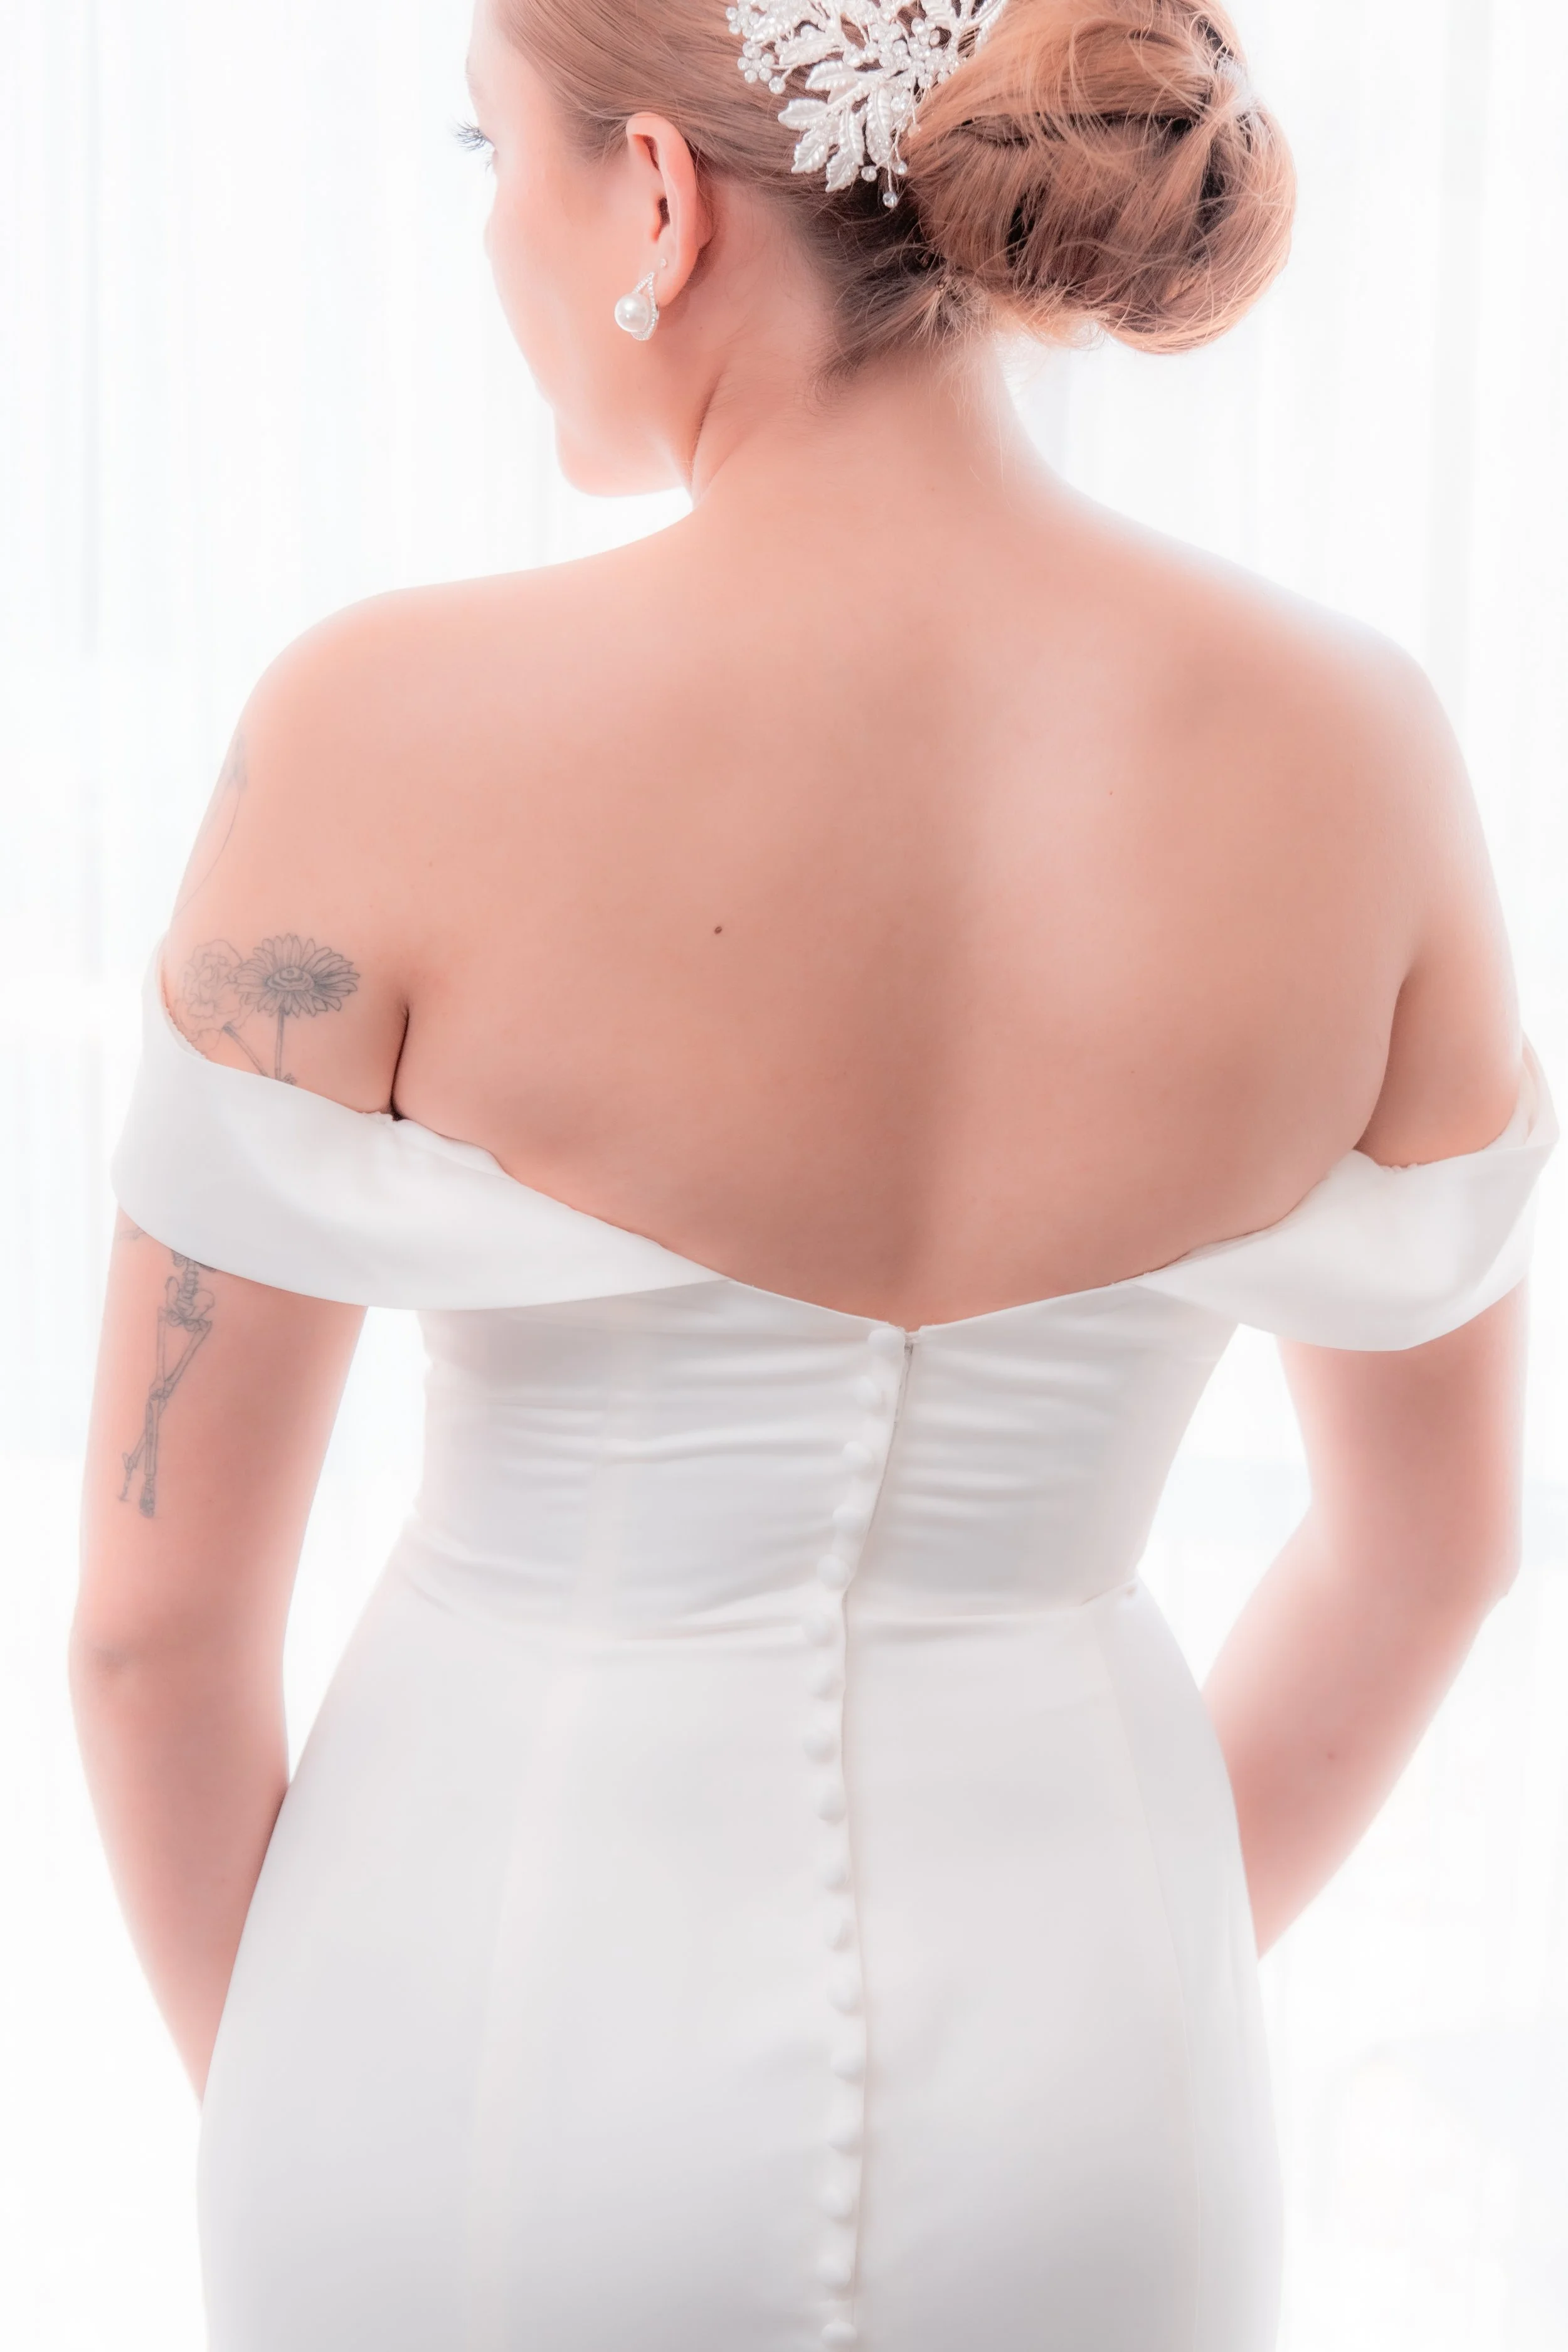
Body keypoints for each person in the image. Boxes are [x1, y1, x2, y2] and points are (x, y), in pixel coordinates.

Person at [70, 2, 1557, 2347]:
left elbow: (153, 1632)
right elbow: (1434, 1553)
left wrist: (311, 2082)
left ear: (655, 199)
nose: (490, 230)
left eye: (496, 149)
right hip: (1108, 2093)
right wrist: (1117, 1956)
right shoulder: (1356, 745)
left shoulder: (378, 726)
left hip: (472, 2026)